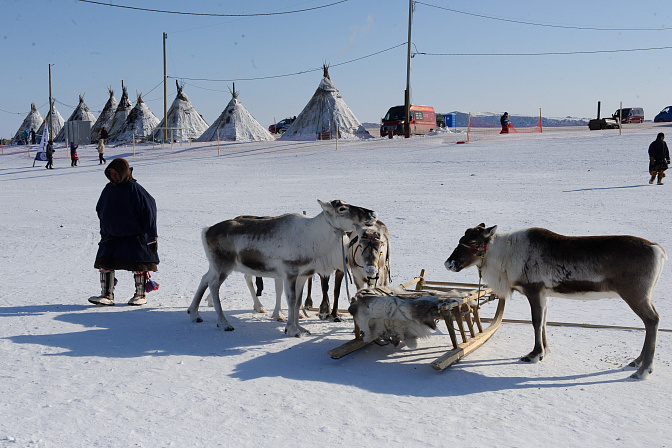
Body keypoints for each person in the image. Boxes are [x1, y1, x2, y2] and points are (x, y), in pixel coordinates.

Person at [89, 158, 159, 306]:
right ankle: (107, 295)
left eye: (116, 173)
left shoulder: (135, 189)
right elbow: (100, 208)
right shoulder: (109, 188)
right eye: (111, 173)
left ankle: (140, 294)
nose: (113, 176)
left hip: (134, 235)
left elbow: (149, 211)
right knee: (105, 261)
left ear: (123, 173)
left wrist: (152, 236)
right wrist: (106, 228)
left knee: (138, 265)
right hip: (112, 235)